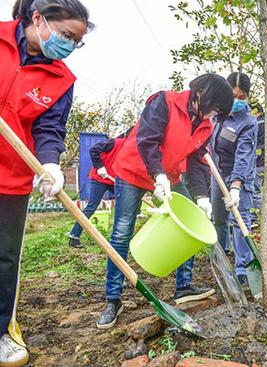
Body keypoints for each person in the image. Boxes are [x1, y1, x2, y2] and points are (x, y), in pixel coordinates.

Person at [96, 74, 233, 329]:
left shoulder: (205, 125)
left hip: (170, 175)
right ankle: (113, 299)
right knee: (122, 232)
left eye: (218, 113)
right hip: (133, 171)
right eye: (214, 108)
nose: (213, 115)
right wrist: (157, 175)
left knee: (191, 222)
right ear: (202, 94)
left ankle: (184, 287)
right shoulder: (164, 102)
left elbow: (196, 160)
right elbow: (148, 141)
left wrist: (202, 196)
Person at [0, 0, 92, 365]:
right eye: (67, 36)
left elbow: (50, 129)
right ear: (38, 19)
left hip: (12, 177)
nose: (69, 46)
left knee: (5, 258)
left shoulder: (61, 79)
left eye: (76, 42)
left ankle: (3, 331)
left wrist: (51, 165)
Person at [210, 72, 258, 285]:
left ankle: (243, 267)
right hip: (217, 172)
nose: (237, 101)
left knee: (240, 220)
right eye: (233, 96)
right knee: (219, 218)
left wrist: (236, 185)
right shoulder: (216, 114)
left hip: (241, 175)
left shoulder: (248, 122)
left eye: (242, 97)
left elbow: (244, 154)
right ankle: (221, 256)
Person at [68, 128, 132, 248]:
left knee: (124, 204)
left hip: (113, 180)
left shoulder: (132, 148)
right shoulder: (114, 142)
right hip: (100, 178)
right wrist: (100, 167)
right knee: (91, 207)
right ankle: (74, 236)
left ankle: (121, 238)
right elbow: (93, 149)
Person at [251, 105, 264, 227]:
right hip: (264, 162)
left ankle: (255, 219)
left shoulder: (258, 124)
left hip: (258, 162)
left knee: (254, 190)